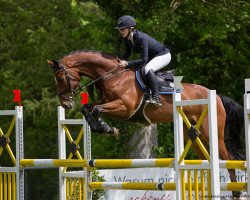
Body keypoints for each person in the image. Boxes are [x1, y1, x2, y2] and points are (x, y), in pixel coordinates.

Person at [116, 15, 171, 107]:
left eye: (122, 29)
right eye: (119, 29)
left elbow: (144, 59)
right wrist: (117, 60)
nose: (120, 31)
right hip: (153, 57)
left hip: (164, 55)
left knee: (147, 69)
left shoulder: (142, 38)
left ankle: (156, 98)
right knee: (139, 69)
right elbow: (127, 54)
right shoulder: (127, 38)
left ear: (131, 28)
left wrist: (127, 63)